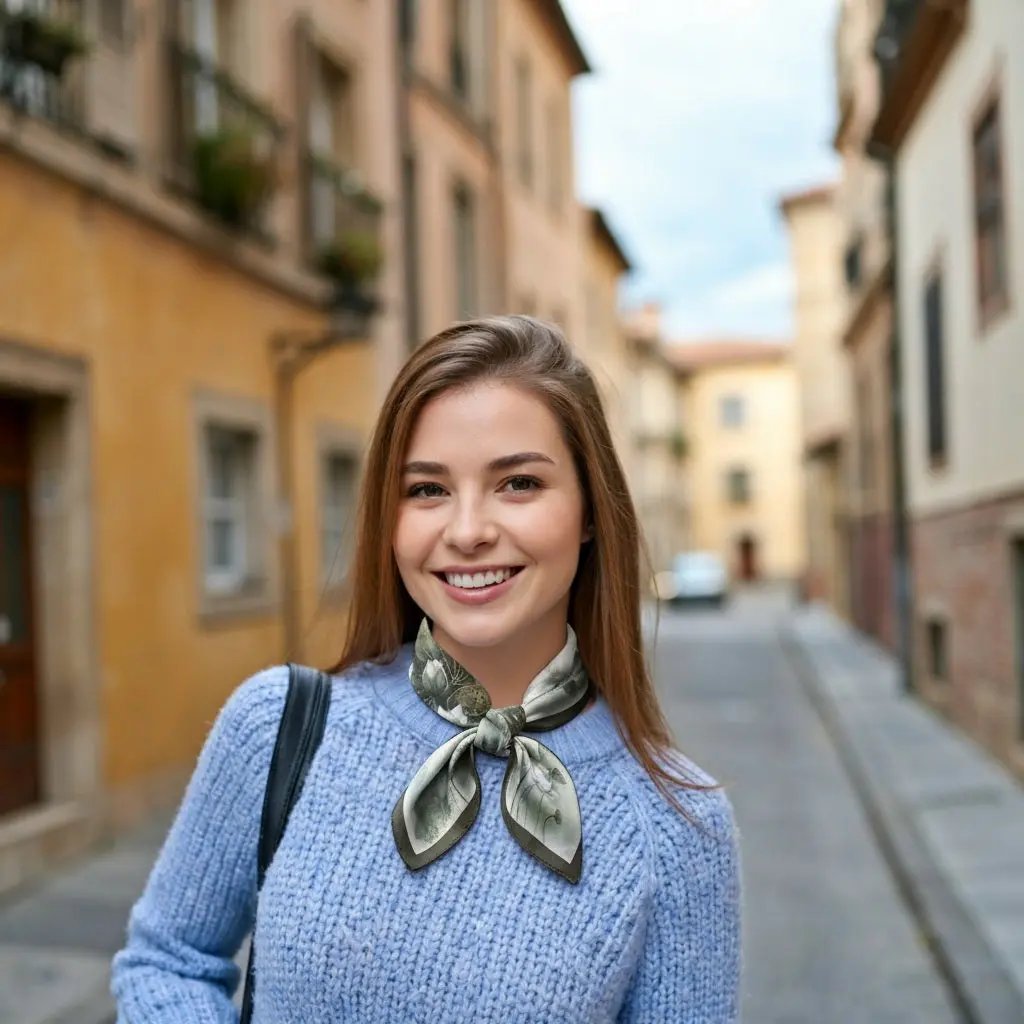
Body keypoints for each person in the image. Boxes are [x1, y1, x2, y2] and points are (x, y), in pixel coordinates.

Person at [111, 315, 742, 1022]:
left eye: (519, 484)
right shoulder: (278, 728)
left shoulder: (679, 826)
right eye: (427, 490)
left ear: (591, 511)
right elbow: (167, 961)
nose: (467, 531)